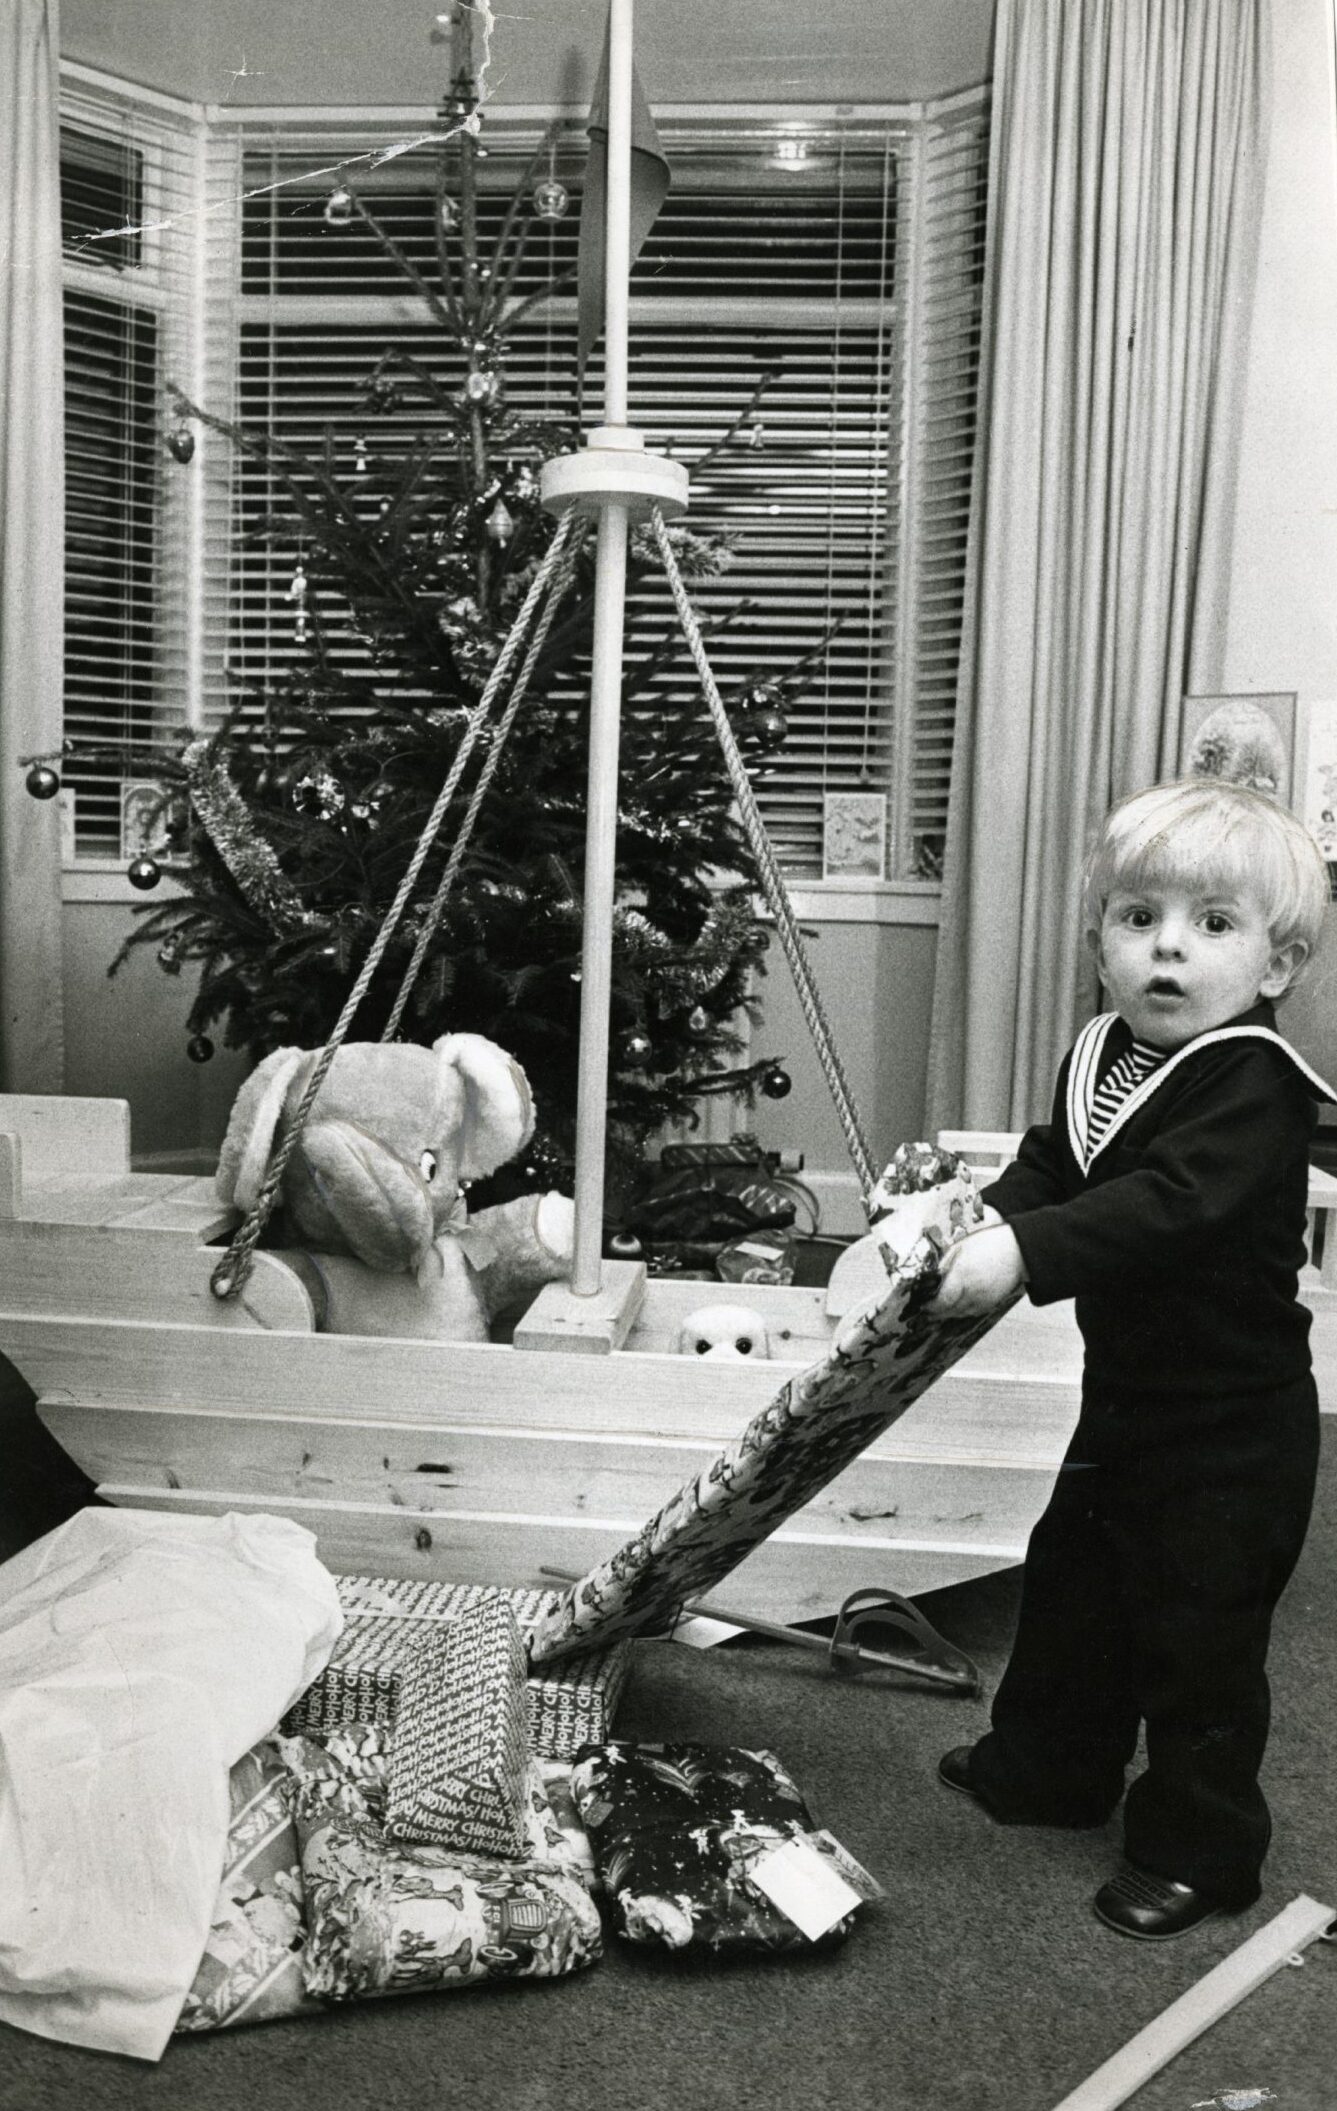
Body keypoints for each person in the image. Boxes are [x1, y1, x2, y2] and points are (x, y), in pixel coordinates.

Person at [929, 778, 1334, 1940]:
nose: (1166, 947)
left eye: (1212, 924)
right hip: (1124, 1406)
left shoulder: (1255, 1087)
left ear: (1273, 964)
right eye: (1136, 915)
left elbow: (1165, 1204)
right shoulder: (1098, 1050)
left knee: (1195, 1637)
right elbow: (1054, 1166)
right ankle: (1048, 1767)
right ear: (1098, 936)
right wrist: (981, 1217)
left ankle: (1201, 1847)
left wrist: (1024, 1253)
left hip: (1232, 1429)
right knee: (1075, 1590)